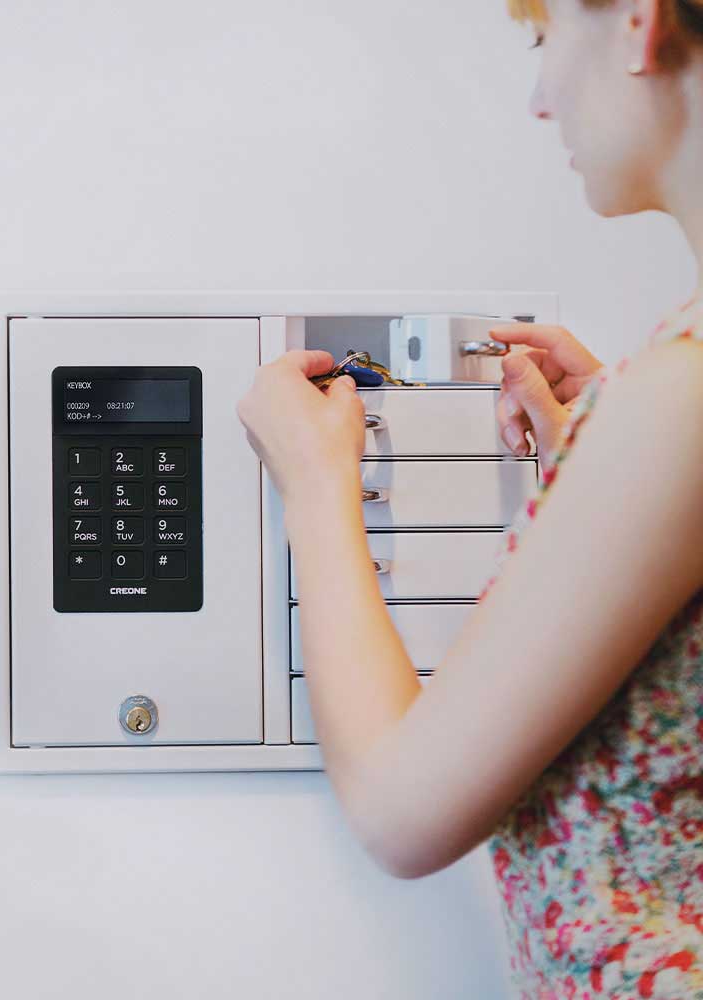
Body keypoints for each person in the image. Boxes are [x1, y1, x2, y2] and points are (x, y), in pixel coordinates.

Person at [236, 0, 703, 995]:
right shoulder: (666, 403)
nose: (539, 100)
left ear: (635, 22)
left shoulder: (682, 398)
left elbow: (400, 811)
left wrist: (319, 488)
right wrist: (610, 474)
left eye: (544, 41)